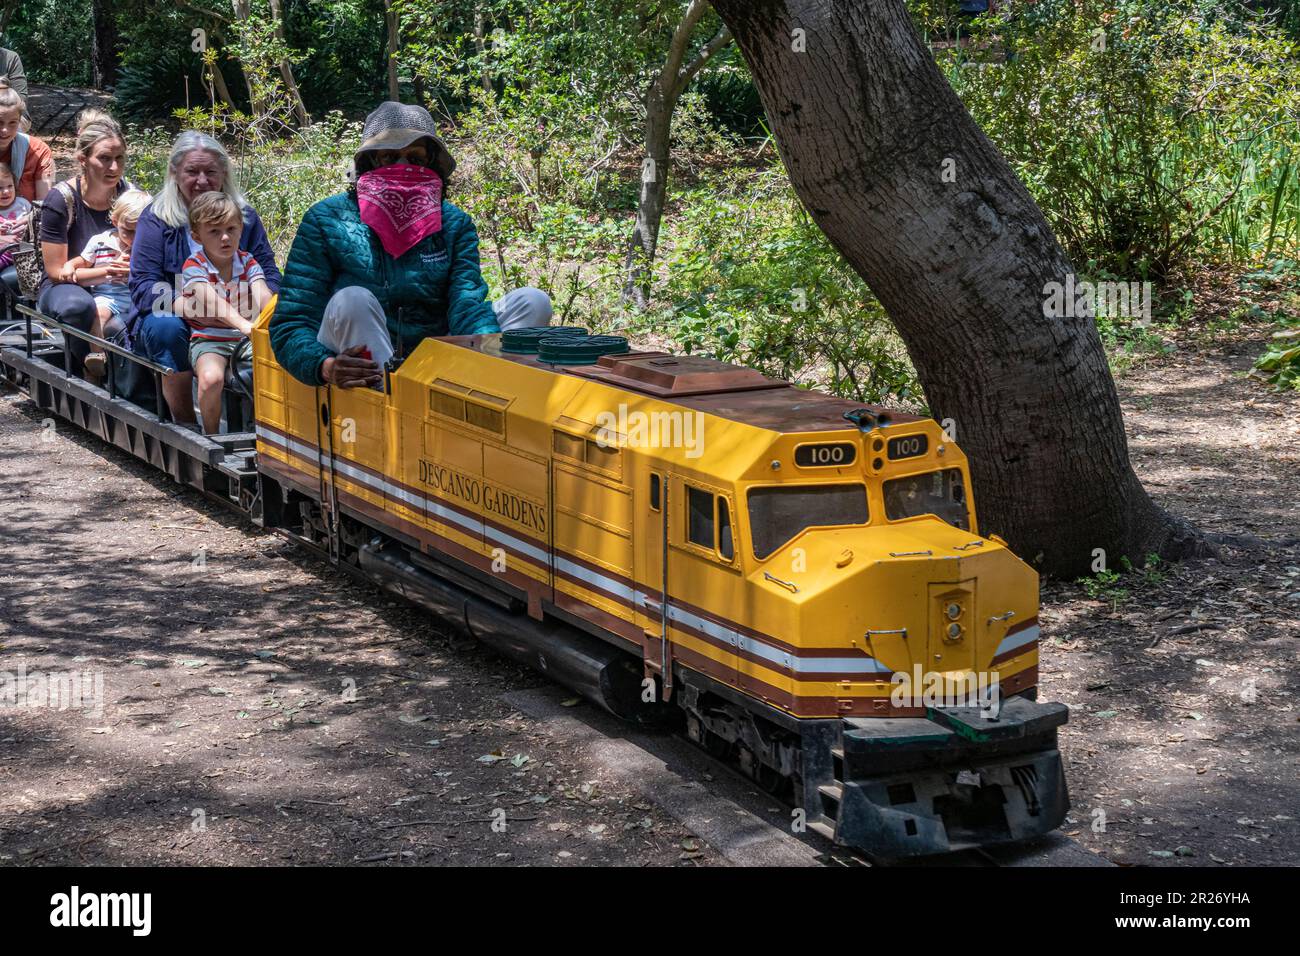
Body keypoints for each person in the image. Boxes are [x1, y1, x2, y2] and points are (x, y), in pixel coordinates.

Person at [270, 101, 551, 389]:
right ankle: (393, 401)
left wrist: (493, 352)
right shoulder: (326, 219)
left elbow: (465, 305)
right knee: (352, 299)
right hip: (355, 355)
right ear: (368, 163)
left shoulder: (454, 224)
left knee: (533, 301)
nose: (402, 169)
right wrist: (324, 366)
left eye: (414, 159)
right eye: (389, 157)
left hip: (436, 351)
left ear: (431, 164)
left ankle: (492, 387)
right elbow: (291, 322)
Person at [128, 130, 281, 424]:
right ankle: (185, 423)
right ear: (175, 173)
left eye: (210, 171)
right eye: (192, 171)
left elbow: (269, 272)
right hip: (174, 311)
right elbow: (144, 286)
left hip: (239, 313)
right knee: (167, 329)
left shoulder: (244, 216)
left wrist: (260, 307)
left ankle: (267, 421)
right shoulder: (156, 218)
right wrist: (189, 308)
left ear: (223, 172)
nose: (201, 180)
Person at [35, 109, 131, 377]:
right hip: (67, 283)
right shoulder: (61, 199)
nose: (113, 168)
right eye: (104, 159)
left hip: (119, 285)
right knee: (79, 307)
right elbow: (56, 270)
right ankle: (87, 370)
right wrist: (108, 272)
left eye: (119, 159)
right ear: (83, 159)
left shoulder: (129, 195)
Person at [180, 192, 271, 433]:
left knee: (279, 368)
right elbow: (212, 302)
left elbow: (262, 294)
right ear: (197, 236)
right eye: (214, 231)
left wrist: (276, 317)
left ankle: (269, 431)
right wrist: (244, 324)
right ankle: (211, 436)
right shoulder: (194, 265)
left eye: (231, 229)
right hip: (210, 339)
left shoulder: (248, 261)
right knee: (211, 379)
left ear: (241, 229)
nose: (225, 238)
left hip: (247, 338)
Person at [62, 188, 152, 379]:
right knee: (98, 313)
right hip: (109, 295)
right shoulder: (101, 242)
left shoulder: (147, 246)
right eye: (128, 231)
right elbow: (82, 262)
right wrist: (70, 265)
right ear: (115, 222)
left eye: (140, 232)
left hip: (137, 295)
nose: (134, 238)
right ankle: (98, 358)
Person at [0, 82, 52, 202]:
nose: (4, 130)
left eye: (12, 123)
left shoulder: (39, 151)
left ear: (19, 121)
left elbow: (43, 204)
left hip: (26, 219)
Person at [0, 161, 32, 269]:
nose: (5, 191)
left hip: (25, 249)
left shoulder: (23, 204)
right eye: (0, 188)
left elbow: (35, 221)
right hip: (3, 254)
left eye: (10, 186)